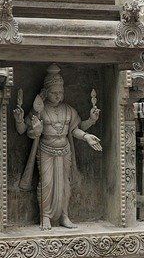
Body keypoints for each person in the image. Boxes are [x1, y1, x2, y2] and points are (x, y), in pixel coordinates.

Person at [14, 65, 102, 230]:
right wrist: (21, 120)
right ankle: (45, 216)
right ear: (46, 92)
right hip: (46, 149)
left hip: (65, 150)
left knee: (64, 185)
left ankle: (64, 216)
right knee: (47, 183)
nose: (58, 96)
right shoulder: (39, 109)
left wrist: (88, 130)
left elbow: (75, 128)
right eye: (54, 93)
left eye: (60, 93)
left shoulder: (68, 109)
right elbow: (23, 130)